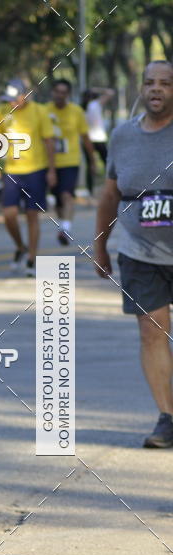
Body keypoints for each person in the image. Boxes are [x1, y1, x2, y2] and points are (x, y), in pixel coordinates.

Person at [94, 61, 173, 447]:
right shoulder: (123, 135)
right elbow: (110, 194)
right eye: (150, 82)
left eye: (165, 83)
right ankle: (167, 417)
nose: (156, 89)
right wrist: (100, 246)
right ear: (141, 89)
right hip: (139, 252)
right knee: (151, 330)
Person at [0, 78, 56, 277]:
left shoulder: (39, 111)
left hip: (36, 170)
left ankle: (31, 259)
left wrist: (52, 170)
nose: (11, 103)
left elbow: (49, 141)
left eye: (14, 99)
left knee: (32, 215)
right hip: (12, 170)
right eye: (8, 99)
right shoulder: (2, 111)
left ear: (24, 95)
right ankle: (20, 246)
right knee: (9, 214)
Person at [44, 79, 95, 244]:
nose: (60, 95)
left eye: (63, 92)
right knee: (58, 200)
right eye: (57, 91)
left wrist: (92, 159)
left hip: (70, 161)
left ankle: (65, 229)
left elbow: (85, 137)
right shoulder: (44, 111)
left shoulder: (76, 111)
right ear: (52, 92)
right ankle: (63, 223)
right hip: (50, 162)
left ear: (68, 94)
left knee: (67, 195)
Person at [83, 87, 115, 194]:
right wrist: (98, 89)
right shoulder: (95, 104)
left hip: (87, 139)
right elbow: (110, 92)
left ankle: (90, 191)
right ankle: (110, 186)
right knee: (107, 163)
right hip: (99, 138)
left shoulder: (82, 107)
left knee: (90, 165)